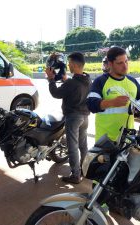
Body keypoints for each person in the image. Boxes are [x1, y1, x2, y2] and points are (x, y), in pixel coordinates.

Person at [46, 52, 91, 184]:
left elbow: (56, 93)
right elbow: (76, 87)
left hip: (73, 117)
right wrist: (66, 80)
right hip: (85, 117)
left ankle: (75, 175)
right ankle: (85, 170)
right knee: (83, 146)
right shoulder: (87, 78)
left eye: (69, 63)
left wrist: (50, 79)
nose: (68, 65)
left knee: (72, 147)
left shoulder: (72, 83)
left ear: (74, 64)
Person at [86, 46, 140, 142]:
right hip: (105, 141)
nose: (125, 66)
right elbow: (91, 104)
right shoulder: (100, 81)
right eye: (120, 63)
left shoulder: (133, 82)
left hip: (127, 140)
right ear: (110, 64)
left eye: (126, 61)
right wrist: (112, 102)